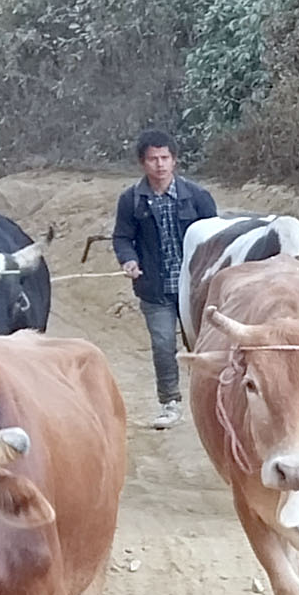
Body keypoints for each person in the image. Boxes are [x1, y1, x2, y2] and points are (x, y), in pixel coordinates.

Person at [111, 129, 219, 429]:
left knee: (204, 345)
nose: (159, 164)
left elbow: (216, 236)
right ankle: (169, 402)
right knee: (162, 345)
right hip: (155, 289)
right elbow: (122, 237)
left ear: (175, 160)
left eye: (165, 158)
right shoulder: (131, 200)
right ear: (142, 163)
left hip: (197, 288)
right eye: (152, 159)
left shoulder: (197, 197)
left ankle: (214, 400)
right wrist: (128, 260)